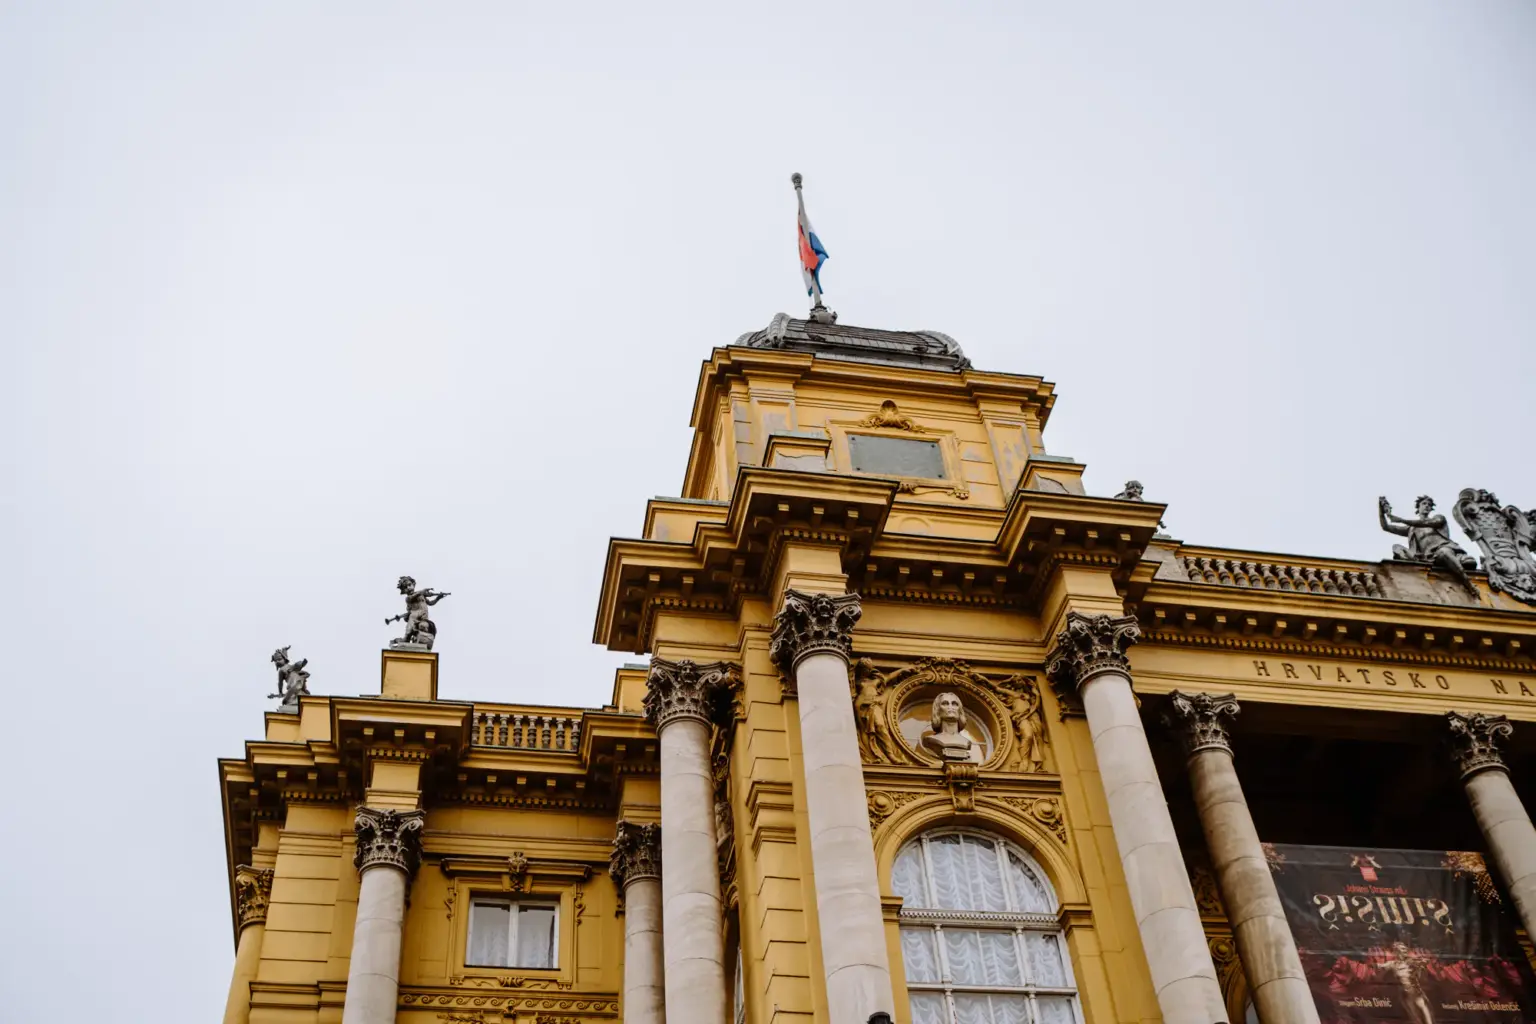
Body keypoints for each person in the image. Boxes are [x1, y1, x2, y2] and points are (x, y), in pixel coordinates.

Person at [1379, 495, 1477, 593]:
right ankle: (1414, 576)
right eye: (1424, 504)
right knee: (1397, 547)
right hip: (1425, 558)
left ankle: (1467, 582)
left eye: (1429, 505)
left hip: (1442, 549)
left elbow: (1427, 523)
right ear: (1418, 507)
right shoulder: (1411, 529)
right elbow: (1386, 527)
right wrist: (1381, 511)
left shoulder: (1438, 518)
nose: (1427, 506)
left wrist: (1401, 520)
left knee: (1444, 552)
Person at [919, 692, 983, 763]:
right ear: (938, 710)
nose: (950, 707)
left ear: (959, 710)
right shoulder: (931, 740)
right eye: (945, 703)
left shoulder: (966, 741)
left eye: (954, 704)